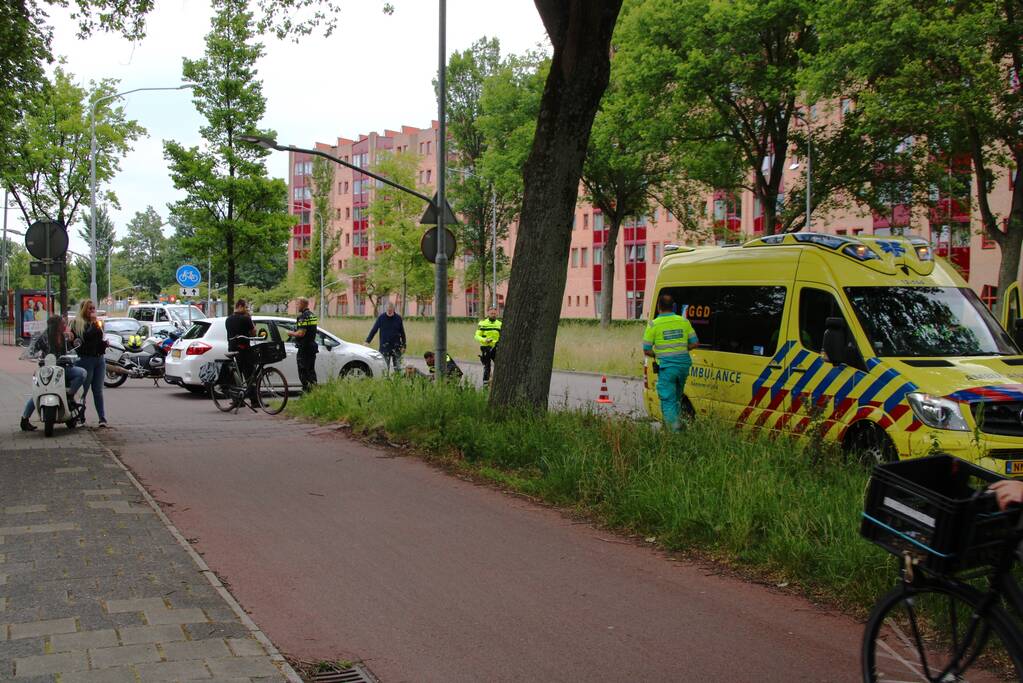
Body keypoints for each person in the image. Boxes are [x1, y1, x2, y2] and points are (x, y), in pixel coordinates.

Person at [19, 315, 87, 431]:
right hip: (47, 371)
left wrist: (72, 352)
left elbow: (71, 350)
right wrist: (30, 355)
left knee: (81, 373)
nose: (65, 325)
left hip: (63, 369)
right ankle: (24, 419)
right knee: (37, 391)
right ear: (57, 325)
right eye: (63, 324)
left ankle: (69, 394)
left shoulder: (63, 337)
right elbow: (32, 349)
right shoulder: (44, 337)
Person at [643, 294, 699, 431]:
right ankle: (673, 427)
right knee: (677, 398)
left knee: (668, 400)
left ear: (659, 307)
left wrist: (658, 354)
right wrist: (680, 349)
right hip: (683, 366)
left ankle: (675, 434)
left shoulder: (653, 324)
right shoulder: (684, 322)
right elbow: (695, 343)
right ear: (673, 306)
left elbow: (646, 349)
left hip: (667, 368)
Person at [72, 299, 109, 428]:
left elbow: (99, 337)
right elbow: (85, 338)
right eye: (90, 308)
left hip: (99, 359)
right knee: (84, 390)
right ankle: (80, 416)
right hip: (85, 359)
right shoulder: (78, 324)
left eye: (94, 308)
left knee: (98, 390)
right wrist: (94, 324)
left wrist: (104, 344)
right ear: (83, 310)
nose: (93, 311)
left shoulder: (96, 323)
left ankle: (102, 418)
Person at [225, 299, 258, 389]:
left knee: (236, 375)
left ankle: (237, 400)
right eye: (246, 307)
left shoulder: (228, 319)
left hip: (232, 349)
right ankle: (254, 400)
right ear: (240, 306)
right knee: (249, 375)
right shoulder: (246, 318)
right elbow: (254, 333)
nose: (247, 309)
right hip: (244, 350)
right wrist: (250, 319)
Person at [287, 297, 319, 391]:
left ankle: (306, 392)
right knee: (311, 370)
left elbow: (301, 333)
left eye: (298, 304)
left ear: (303, 304)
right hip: (311, 347)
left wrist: (291, 333)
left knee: (303, 371)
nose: (297, 306)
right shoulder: (312, 315)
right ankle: (314, 392)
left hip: (304, 348)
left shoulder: (303, 317)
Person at [365, 302, 406, 373]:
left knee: (398, 368)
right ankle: (386, 382)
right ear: (386, 309)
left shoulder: (398, 318)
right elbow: (374, 330)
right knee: (385, 368)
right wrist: (367, 341)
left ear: (393, 309)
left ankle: (397, 382)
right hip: (384, 347)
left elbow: (402, 333)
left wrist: (404, 345)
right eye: (388, 310)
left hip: (396, 347)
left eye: (391, 310)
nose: (389, 312)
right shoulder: (381, 318)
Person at [475, 306, 502, 386]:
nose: (493, 315)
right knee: (487, 367)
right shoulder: (482, 323)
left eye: (494, 313)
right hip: (486, 347)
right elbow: (476, 336)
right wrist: (485, 340)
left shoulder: (500, 324)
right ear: (488, 313)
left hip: (496, 348)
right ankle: (485, 385)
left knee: (499, 365)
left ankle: (497, 383)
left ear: (497, 313)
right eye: (491, 313)